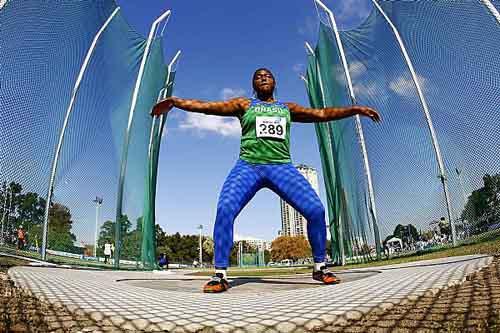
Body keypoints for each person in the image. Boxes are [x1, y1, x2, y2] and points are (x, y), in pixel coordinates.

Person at [152, 68, 380, 293]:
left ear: (274, 82)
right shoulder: (244, 105)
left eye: (268, 75)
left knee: (316, 210)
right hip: (248, 167)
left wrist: (354, 109)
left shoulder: (287, 108)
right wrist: (175, 102)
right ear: (253, 85)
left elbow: (321, 114)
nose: (263, 77)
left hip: (282, 167)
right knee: (224, 209)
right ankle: (220, 273)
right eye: (258, 76)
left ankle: (320, 267)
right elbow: (207, 107)